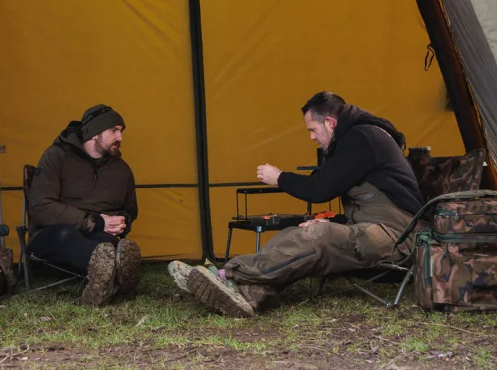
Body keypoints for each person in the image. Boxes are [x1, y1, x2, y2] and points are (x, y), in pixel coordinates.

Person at [169, 92, 422, 316]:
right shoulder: (358, 137)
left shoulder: (362, 138)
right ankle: (248, 295)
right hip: (375, 230)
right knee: (301, 231)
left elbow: (319, 189)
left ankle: (227, 275)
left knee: (316, 236)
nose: (311, 137)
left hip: (397, 237)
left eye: (313, 130)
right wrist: (333, 221)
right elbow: (363, 206)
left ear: (330, 123)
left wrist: (279, 178)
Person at [27, 104, 141, 305]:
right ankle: (113, 270)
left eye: (121, 131)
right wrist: (94, 221)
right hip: (53, 234)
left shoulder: (122, 170)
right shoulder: (57, 157)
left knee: (108, 244)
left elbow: (130, 210)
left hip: (98, 236)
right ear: (95, 133)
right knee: (65, 234)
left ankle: (108, 273)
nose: (120, 137)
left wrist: (121, 223)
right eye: (114, 130)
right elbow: (40, 207)